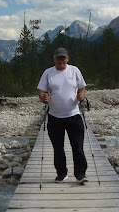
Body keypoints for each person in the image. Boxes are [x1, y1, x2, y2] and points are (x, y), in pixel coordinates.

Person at [37, 47, 88, 184]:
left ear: (67, 58)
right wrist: (43, 97)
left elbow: (82, 87)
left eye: (63, 58)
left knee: (77, 146)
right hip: (54, 117)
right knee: (58, 148)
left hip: (73, 115)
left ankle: (80, 174)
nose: (61, 60)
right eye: (58, 58)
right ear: (54, 59)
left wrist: (81, 95)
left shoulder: (74, 70)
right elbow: (41, 91)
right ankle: (61, 173)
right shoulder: (48, 73)